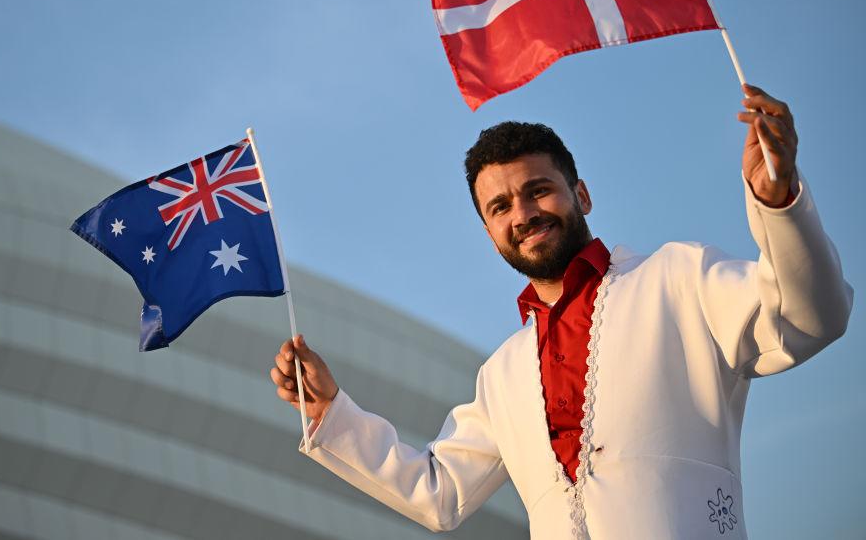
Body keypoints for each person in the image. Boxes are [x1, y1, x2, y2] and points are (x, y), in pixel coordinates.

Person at [269, 84, 852, 539]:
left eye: (538, 190)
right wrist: (330, 413)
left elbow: (809, 318)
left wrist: (779, 200)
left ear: (583, 195)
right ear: (490, 231)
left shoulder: (678, 277)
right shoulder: (501, 374)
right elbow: (439, 494)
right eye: (500, 206)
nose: (522, 213)